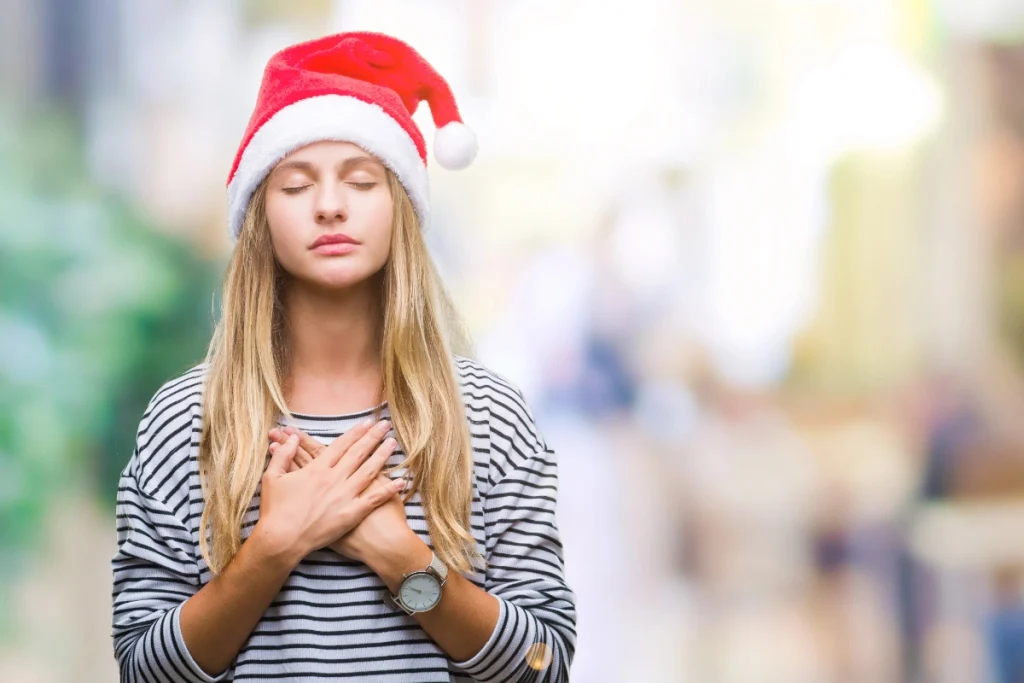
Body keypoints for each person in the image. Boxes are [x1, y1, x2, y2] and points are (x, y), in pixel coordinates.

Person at [111, 31, 576, 683]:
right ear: (261, 215)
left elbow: (544, 661)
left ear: (401, 208)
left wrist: (404, 559)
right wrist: (272, 548)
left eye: (360, 180)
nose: (330, 205)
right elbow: (141, 669)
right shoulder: (184, 419)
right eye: (296, 185)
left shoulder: (487, 415)